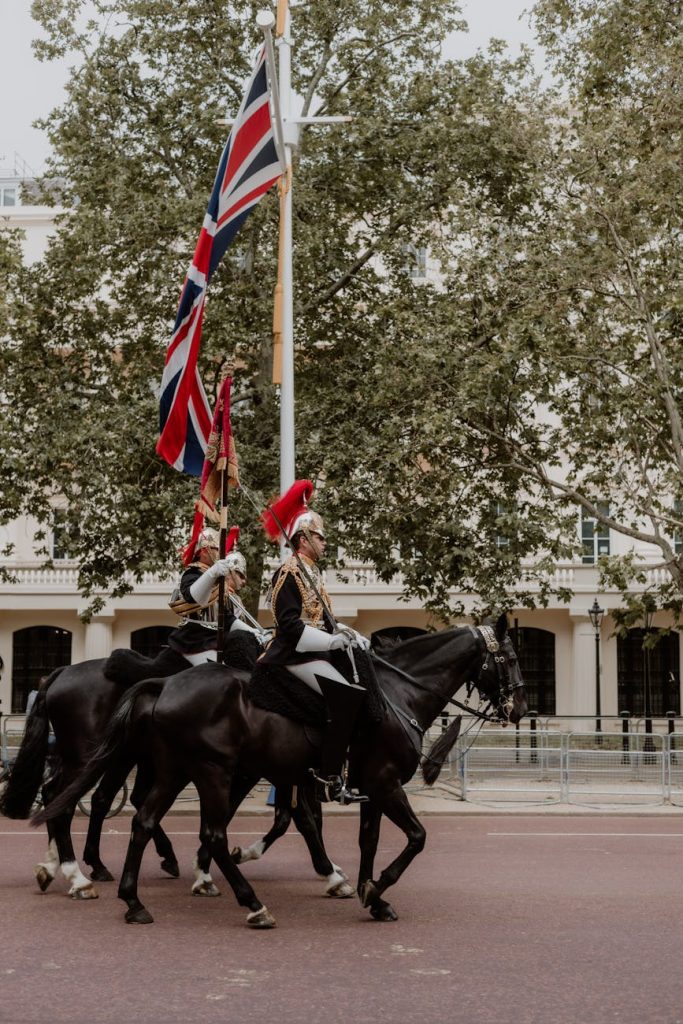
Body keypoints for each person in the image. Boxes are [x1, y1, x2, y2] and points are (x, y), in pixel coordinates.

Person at [259, 480, 371, 805]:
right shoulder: (289, 571)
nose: (325, 543)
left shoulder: (313, 573)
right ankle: (330, 777)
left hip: (315, 649)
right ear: (304, 539)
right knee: (346, 698)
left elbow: (326, 620)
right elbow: (291, 625)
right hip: (294, 654)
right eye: (321, 537)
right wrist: (334, 643)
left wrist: (348, 633)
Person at [168, 525, 265, 665]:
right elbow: (194, 597)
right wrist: (212, 573)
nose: (222, 553)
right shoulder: (193, 573)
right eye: (217, 549)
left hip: (214, 636)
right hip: (195, 637)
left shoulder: (215, 580)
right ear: (204, 551)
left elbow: (227, 618)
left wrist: (254, 632)